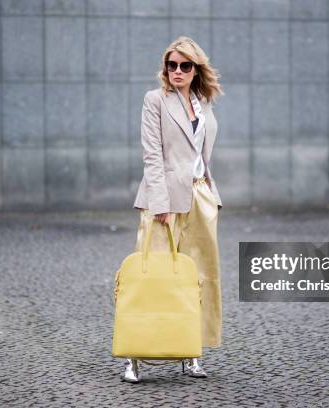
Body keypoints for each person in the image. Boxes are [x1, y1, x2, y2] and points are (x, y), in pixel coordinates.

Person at [121, 36, 224, 383]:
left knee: (198, 278)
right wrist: (160, 204)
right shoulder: (155, 101)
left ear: (196, 70)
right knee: (154, 276)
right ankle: (134, 356)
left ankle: (192, 353)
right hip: (162, 201)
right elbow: (152, 155)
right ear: (165, 68)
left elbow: (200, 156)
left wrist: (209, 191)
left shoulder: (204, 103)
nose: (177, 71)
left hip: (200, 200)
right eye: (171, 65)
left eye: (185, 65)